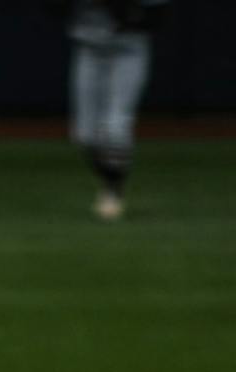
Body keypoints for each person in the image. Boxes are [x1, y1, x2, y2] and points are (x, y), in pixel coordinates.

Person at [59, 0, 169, 220]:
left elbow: (158, 16)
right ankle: (110, 178)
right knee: (84, 135)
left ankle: (113, 191)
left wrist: (123, 13)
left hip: (129, 50)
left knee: (116, 128)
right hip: (89, 49)